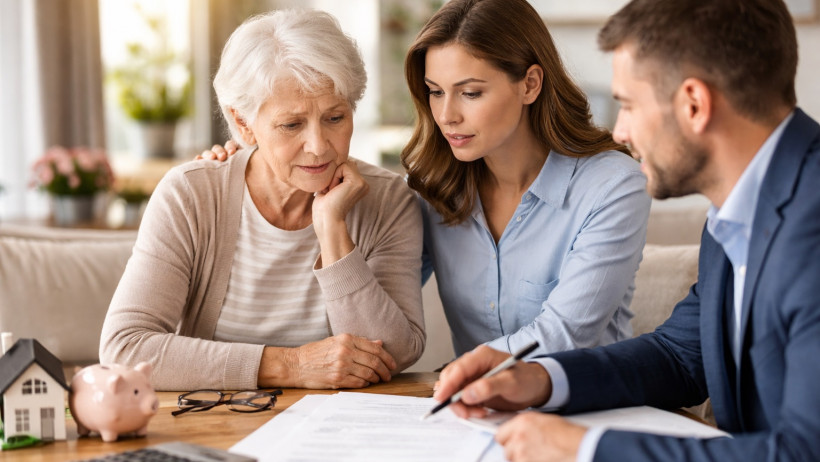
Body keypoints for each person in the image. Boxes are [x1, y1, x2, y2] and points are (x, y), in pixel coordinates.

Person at [434, 0, 820, 460]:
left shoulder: (811, 222)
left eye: (629, 105)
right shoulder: (741, 207)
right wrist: (539, 379)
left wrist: (587, 448)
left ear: (694, 104)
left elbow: (803, 452)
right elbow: (680, 355)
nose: (619, 132)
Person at [204, 0, 651, 360]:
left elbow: (564, 336)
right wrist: (253, 163)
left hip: (588, 412)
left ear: (530, 85)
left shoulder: (611, 186)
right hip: (475, 415)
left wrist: (453, 378)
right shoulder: (432, 189)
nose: (446, 115)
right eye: (435, 92)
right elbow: (365, 327)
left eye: (470, 92)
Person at [99, 9, 425, 392]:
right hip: (219, 425)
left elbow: (396, 353)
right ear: (242, 124)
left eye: (335, 118)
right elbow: (125, 347)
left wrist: (334, 232)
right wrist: (293, 366)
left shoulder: (389, 201)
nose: (319, 146)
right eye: (292, 124)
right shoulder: (191, 195)